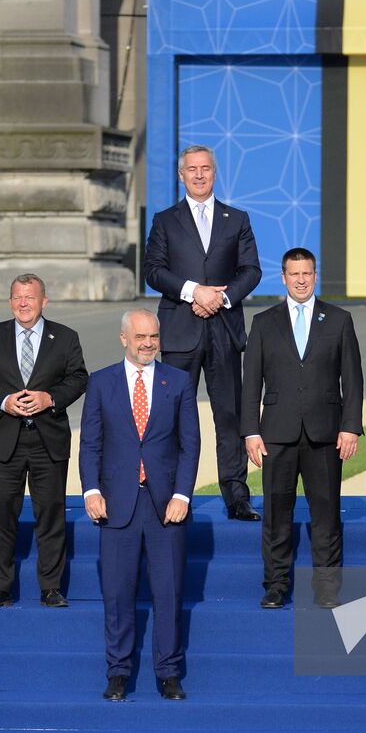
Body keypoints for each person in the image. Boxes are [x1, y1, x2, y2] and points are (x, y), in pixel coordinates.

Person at [80, 309, 200, 702]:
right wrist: (91, 490)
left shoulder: (178, 381)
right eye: (140, 337)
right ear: (123, 339)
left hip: (166, 507)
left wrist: (182, 495)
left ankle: (169, 673)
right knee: (117, 595)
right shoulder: (101, 383)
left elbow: (190, 444)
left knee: (169, 594)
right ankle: (118, 672)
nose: (148, 344)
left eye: (153, 337)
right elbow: (90, 444)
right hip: (117, 505)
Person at [144, 145, 262, 520]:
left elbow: (251, 270)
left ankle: (236, 496)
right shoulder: (165, 220)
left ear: (215, 173)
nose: (199, 174)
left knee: (229, 416)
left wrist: (220, 298)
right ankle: (171, 493)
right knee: (172, 417)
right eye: (192, 169)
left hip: (225, 330)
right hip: (180, 331)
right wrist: (193, 291)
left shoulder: (237, 219)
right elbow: (153, 270)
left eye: (205, 168)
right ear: (181, 175)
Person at [241, 247, 363, 609]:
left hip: (325, 434)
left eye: (306, 273)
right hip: (276, 435)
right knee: (276, 515)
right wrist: (250, 431)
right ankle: (276, 586)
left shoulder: (339, 320)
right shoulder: (263, 322)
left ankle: (327, 588)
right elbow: (251, 383)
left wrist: (350, 427)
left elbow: (352, 379)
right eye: (294, 274)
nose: (300, 280)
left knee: (326, 514)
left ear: (315, 275)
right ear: (283, 277)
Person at [0, 274, 88, 609]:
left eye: (30, 297)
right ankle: (0, 587)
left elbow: (79, 378)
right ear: (10, 302)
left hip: (48, 439)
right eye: (17, 297)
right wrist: (3, 400)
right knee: (0, 514)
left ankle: (51, 587)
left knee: (51, 514)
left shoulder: (65, 337)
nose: (23, 303)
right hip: (4, 439)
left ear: (43, 301)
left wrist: (50, 398)